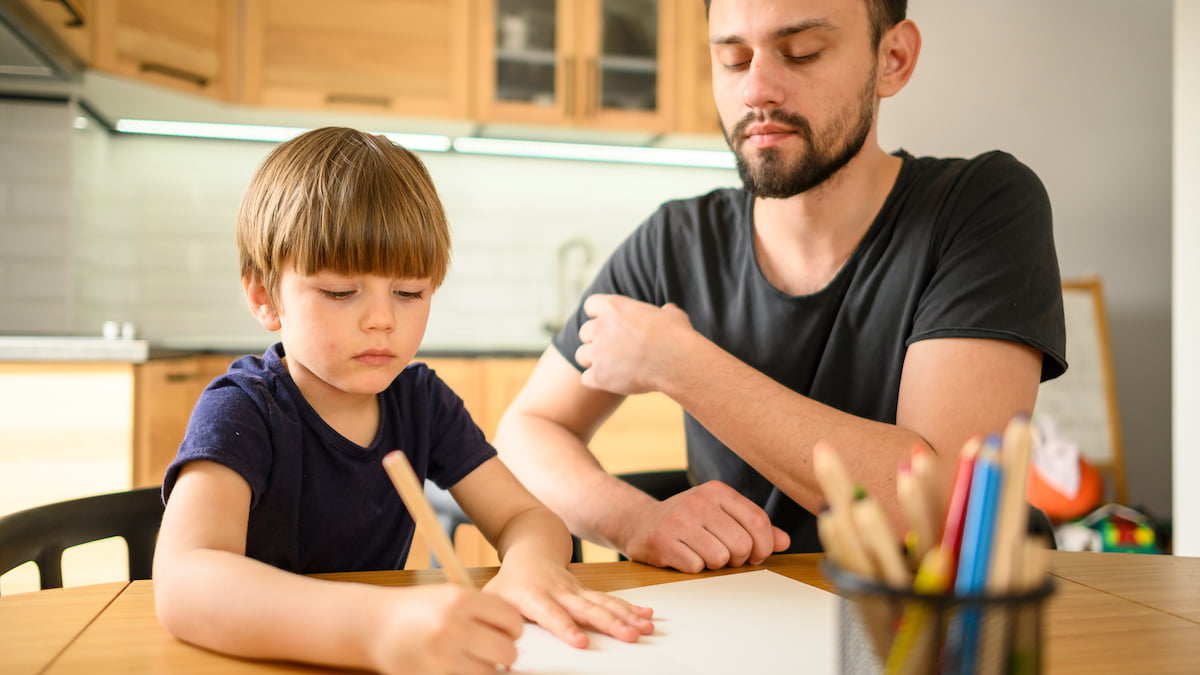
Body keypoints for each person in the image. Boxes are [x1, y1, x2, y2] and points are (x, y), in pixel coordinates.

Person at [494, 0, 1067, 575]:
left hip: (938, 624)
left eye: (802, 53)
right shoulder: (676, 240)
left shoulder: (981, 205)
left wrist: (681, 364)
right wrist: (633, 520)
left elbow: (940, 508)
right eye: (733, 59)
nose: (757, 90)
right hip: (744, 614)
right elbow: (528, 428)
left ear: (892, 59)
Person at [153, 127, 653, 675]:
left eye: (410, 293)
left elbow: (526, 516)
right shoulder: (243, 409)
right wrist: (378, 626)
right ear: (265, 298)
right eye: (342, 292)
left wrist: (529, 565)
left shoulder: (421, 402)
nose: (382, 320)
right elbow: (185, 582)